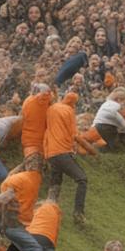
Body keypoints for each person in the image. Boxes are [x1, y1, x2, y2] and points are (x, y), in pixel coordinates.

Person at [44, 92, 87, 224]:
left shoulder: (51, 108)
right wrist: (90, 149)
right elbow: (75, 135)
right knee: (82, 179)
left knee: (56, 180)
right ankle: (78, 213)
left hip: (50, 153)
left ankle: (49, 208)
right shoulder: (69, 111)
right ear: (73, 103)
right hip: (62, 152)